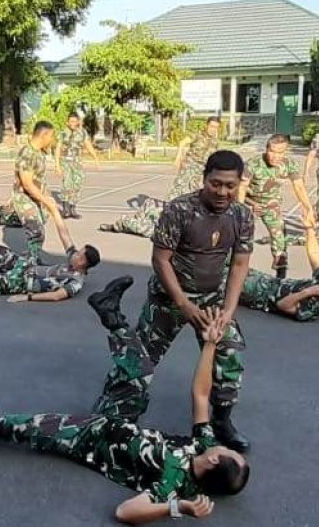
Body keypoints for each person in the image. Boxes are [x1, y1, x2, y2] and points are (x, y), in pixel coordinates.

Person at [0, 307, 249, 524]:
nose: (223, 445)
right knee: (140, 371)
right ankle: (111, 313)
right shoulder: (202, 446)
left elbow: (125, 512)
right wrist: (209, 344)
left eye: (227, 450)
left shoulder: (173, 484)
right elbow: (201, 394)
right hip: (119, 421)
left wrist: (178, 507)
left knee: (18, 426)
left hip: (88, 438)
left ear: (214, 461)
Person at [98, 150, 254, 452]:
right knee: (141, 359)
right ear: (204, 179)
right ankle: (115, 415)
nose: (222, 192)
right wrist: (183, 303)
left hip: (211, 301)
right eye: (216, 183)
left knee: (229, 354)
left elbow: (239, 265)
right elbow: (161, 260)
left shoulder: (242, 216)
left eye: (230, 185)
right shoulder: (179, 210)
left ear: (239, 184)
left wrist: (228, 310)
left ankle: (222, 421)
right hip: (169, 299)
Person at [240, 226, 319, 322]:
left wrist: (307, 292)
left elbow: (282, 305)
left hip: (258, 294)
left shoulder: (313, 309)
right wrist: (310, 229)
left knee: (231, 278)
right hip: (265, 279)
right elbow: (315, 257)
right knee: (234, 264)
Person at [239, 134, 315, 279]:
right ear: (266, 149)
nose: (275, 156)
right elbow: (241, 188)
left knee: (279, 237)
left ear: (285, 151)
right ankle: (233, 270)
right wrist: (241, 209)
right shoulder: (253, 164)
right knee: (240, 236)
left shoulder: (289, 164)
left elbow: (299, 186)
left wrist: (308, 208)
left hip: (271, 204)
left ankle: (281, 275)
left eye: (280, 152)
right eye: (272, 151)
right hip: (249, 202)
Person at [10, 120, 74, 263]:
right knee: (36, 232)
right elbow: (27, 184)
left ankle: (32, 258)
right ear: (44, 135)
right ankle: (29, 263)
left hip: (36, 196)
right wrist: (46, 201)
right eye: (51, 136)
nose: (52, 140)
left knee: (41, 223)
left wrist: (49, 199)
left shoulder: (38, 153)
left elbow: (39, 180)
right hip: (24, 197)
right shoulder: (27, 154)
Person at [54, 112, 99, 219]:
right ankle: (65, 209)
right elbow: (58, 149)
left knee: (78, 184)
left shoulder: (82, 133)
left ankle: (73, 208)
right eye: (71, 121)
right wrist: (57, 165)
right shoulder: (63, 133)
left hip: (77, 163)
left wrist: (95, 158)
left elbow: (88, 145)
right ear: (67, 122)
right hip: (66, 162)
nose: (73, 123)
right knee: (67, 184)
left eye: (75, 121)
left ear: (78, 122)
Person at [167, 117, 220, 200]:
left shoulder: (215, 142)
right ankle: (171, 205)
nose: (213, 129)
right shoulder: (197, 135)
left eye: (216, 127)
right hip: (189, 166)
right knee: (178, 189)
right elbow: (182, 143)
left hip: (201, 170)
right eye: (211, 126)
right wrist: (178, 158)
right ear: (206, 125)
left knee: (197, 193)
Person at [99, 195, 166, 237]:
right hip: (162, 216)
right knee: (150, 202)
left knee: (145, 229)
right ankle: (138, 220)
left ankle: (120, 225)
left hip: (160, 226)